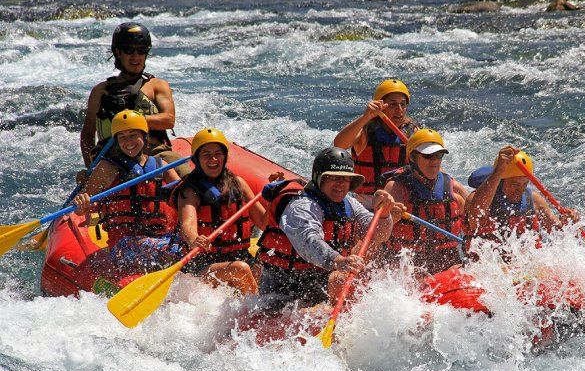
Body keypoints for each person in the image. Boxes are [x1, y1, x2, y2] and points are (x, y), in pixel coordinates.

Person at [257, 147, 395, 309]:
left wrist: (384, 214)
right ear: (319, 179)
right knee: (340, 279)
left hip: (320, 280)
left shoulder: (349, 203)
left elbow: (378, 235)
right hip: (285, 285)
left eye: (345, 179)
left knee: (358, 278)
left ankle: (346, 318)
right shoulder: (301, 206)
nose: (341, 184)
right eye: (334, 178)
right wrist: (338, 260)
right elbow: (308, 240)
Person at [73, 110, 181, 272]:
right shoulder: (107, 168)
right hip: (124, 242)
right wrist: (82, 205)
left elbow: (184, 197)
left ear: (145, 136)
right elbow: (83, 207)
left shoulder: (161, 165)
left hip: (162, 236)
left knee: (184, 246)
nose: (128, 141)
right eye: (122, 137)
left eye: (133, 135)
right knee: (172, 251)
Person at [80, 22, 189, 176]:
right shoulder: (100, 91)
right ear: (118, 52)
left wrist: (132, 121)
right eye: (129, 50)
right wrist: (90, 168)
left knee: (184, 173)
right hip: (113, 157)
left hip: (154, 153)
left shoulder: (157, 85)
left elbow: (168, 119)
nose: (136, 56)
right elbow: (87, 135)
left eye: (141, 50)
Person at [173, 128, 266, 295]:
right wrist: (194, 239)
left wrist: (276, 197)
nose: (213, 159)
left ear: (225, 157)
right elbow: (187, 225)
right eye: (206, 154)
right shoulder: (190, 191)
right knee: (240, 269)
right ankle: (256, 307)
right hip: (202, 265)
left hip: (240, 256)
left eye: (218, 154)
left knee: (265, 263)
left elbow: (263, 222)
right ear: (196, 159)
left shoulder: (239, 183)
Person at [382, 129, 468, 275]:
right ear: (412, 158)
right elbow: (379, 235)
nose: (434, 161)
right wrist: (390, 219)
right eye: (428, 156)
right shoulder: (396, 188)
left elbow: (475, 224)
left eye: (438, 155)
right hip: (408, 266)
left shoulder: (454, 189)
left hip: (449, 264)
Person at [464, 146, 580, 250]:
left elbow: (558, 232)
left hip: (526, 263)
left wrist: (569, 223)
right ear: (501, 181)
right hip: (489, 263)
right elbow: (475, 218)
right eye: (515, 184)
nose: (520, 190)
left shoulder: (533, 199)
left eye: (525, 183)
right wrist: (498, 171)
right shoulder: (476, 200)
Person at [333, 79, 420, 208]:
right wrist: (365, 117)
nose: (399, 109)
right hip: (366, 202)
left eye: (403, 104)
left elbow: (427, 166)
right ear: (381, 105)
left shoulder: (412, 132)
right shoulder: (366, 130)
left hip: (398, 201)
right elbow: (339, 145)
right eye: (393, 104)